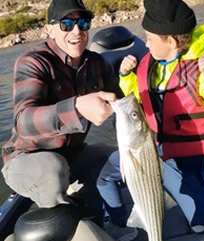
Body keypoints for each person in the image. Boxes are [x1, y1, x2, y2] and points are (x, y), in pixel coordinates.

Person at [97, 0, 204, 238]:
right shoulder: (149, 66)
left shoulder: (202, 70)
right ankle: (116, 222)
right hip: (151, 149)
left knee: (201, 224)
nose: (144, 44)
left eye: (149, 38)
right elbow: (136, 102)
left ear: (170, 41)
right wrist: (125, 76)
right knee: (104, 176)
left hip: (187, 155)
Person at [1, 0, 124, 231]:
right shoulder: (33, 62)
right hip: (26, 157)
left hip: (73, 153)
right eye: (66, 24)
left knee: (120, 160)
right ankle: (71, 232)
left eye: (83, 23)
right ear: (49, 30)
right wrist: (76, 107)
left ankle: (112, 225)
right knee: (52, 168)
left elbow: (123, 104)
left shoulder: (97, 63)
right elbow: (24, 121)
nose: (77, 31)